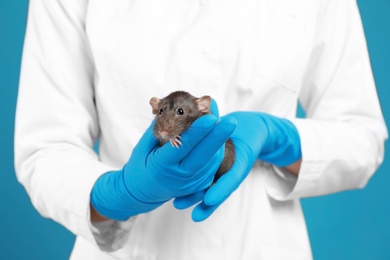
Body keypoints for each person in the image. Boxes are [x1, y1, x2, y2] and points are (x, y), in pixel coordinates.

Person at [15, 0, 387, 259]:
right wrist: (120, 192)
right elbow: (45, 145)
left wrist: (275, 137)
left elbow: (363, 137)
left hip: (262, 245)